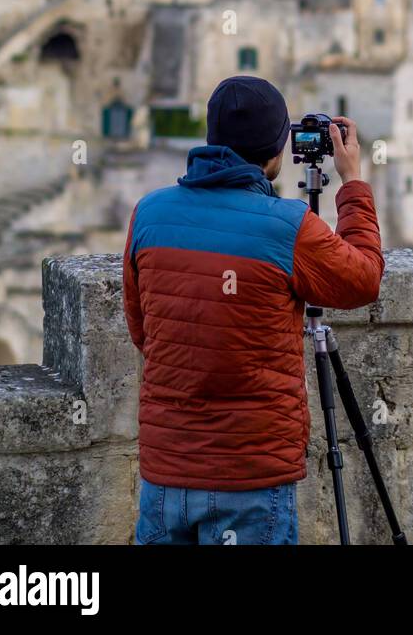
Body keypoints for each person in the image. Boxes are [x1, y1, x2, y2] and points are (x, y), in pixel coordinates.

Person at [122, 75, 383, 545]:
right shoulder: (288, 226)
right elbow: (364, 280)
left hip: (166, 471)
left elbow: (143, 332)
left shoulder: (149, 214)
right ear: (276, 152)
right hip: (251, 473)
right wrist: (354, 183)